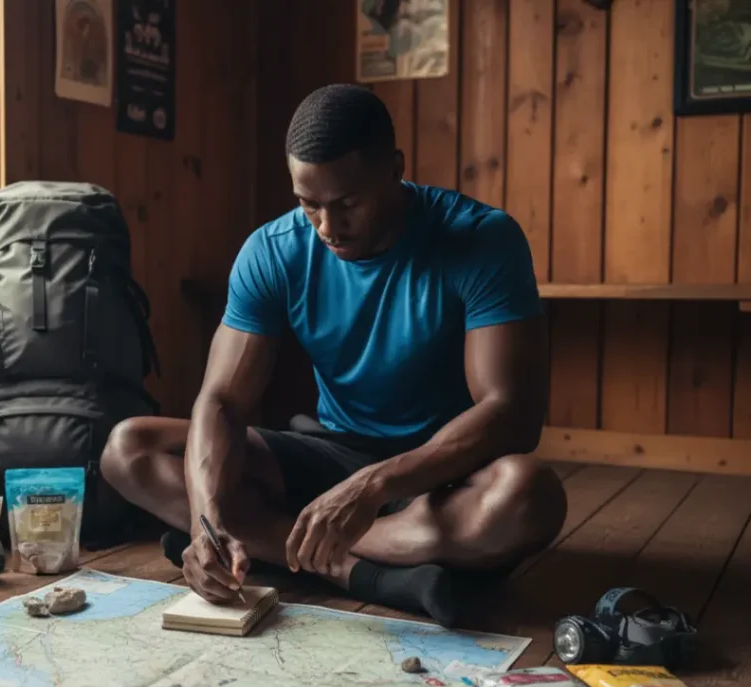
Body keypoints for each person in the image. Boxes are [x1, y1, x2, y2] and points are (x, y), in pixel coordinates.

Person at [100, 83, 567, 627]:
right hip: (330, 453)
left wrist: (373, 487)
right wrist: (207, 522)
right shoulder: (273, 250)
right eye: (308, 205)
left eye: (346, 204)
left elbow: (512, 413)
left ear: (395, 170)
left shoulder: (482, 239)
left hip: (438, 476)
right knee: (128, 449)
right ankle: (360, 569)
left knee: (529, 497)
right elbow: (223, 400)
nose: (326, 226)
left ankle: (294, 545)